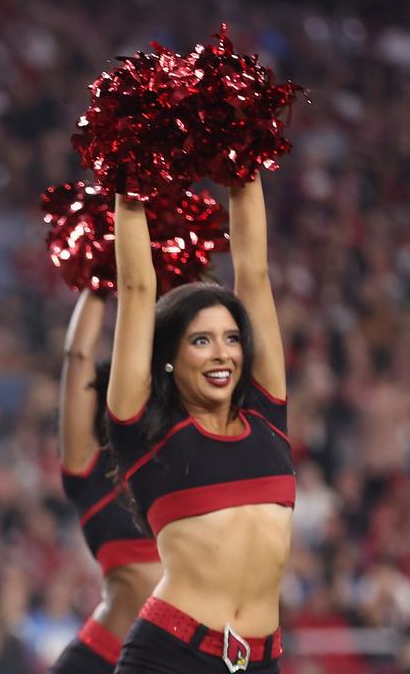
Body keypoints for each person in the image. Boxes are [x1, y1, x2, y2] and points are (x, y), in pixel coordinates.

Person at [107, 175, 293, 673]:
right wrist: (128, 178)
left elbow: (254, 274)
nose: (223, 354)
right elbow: (136, 287)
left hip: (260, 661)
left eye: (232, 339)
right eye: (201, 340)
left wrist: (244, 158)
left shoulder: (268, 415)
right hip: (169, 656)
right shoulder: (144, 430)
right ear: (169, 356)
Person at [51, 290, 161, 673]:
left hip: (179, 659)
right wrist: (96, 280)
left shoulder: (180, 462)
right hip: (102, 657)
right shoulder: (87, 468)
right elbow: (78, 357)